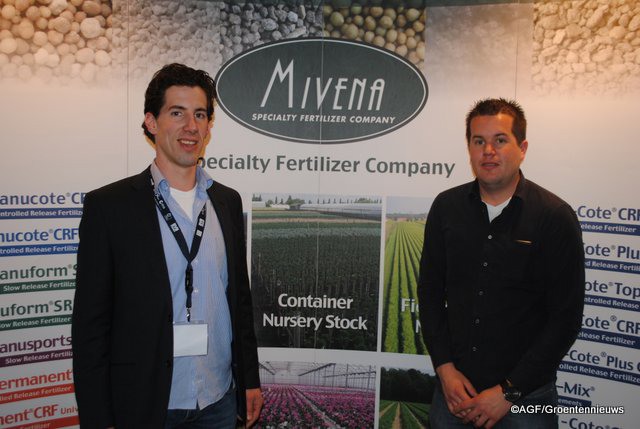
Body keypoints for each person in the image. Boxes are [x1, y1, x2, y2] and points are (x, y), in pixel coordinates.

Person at [72, 63, 263, 428]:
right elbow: (90, 325)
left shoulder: (227, 201)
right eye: (177, 113)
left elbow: (239, 301)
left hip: (218, 399)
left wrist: (249, 380)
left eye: (200, 114)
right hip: (145, 404)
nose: (191, 126)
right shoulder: (109, 207)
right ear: (151, 122)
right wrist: (98, 417)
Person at [417, 98, 584, 428]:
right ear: (469, 148)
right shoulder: (446, 208)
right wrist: (445, 369)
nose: (488, 151)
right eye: (479, 141)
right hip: (454, 395)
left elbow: (565, 319)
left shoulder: (554, 217)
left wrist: (509, 392)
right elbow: (430, 293)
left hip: (526, 400)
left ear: (522, 148)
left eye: (500, 140)